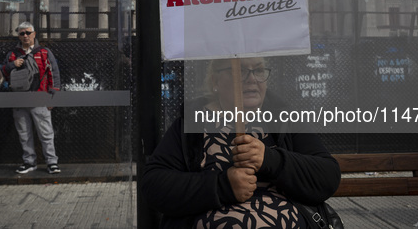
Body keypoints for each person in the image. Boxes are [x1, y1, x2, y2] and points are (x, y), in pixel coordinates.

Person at [140, 57, 341, 228]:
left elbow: (327, 177)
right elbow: (155, 185)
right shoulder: (192, 125)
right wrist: (222, 186)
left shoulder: (285, 119)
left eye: (259, 70)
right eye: (240, 71)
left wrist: (271, 160)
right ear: (215, 80)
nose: (251, 79)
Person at [1, 21, 61, 175]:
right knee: (24, 133)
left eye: (28, 32)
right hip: (19, 99)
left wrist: (52, 97)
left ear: (34, 34)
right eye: (22, 33)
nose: (25, 35)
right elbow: (3, 73)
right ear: (19, 36)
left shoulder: (45, 52)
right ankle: (29, 162)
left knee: (46, 133)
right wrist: (12, 65)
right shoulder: (12, 54)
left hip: (40, 98)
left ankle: (52, 162)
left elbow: (54, 74)